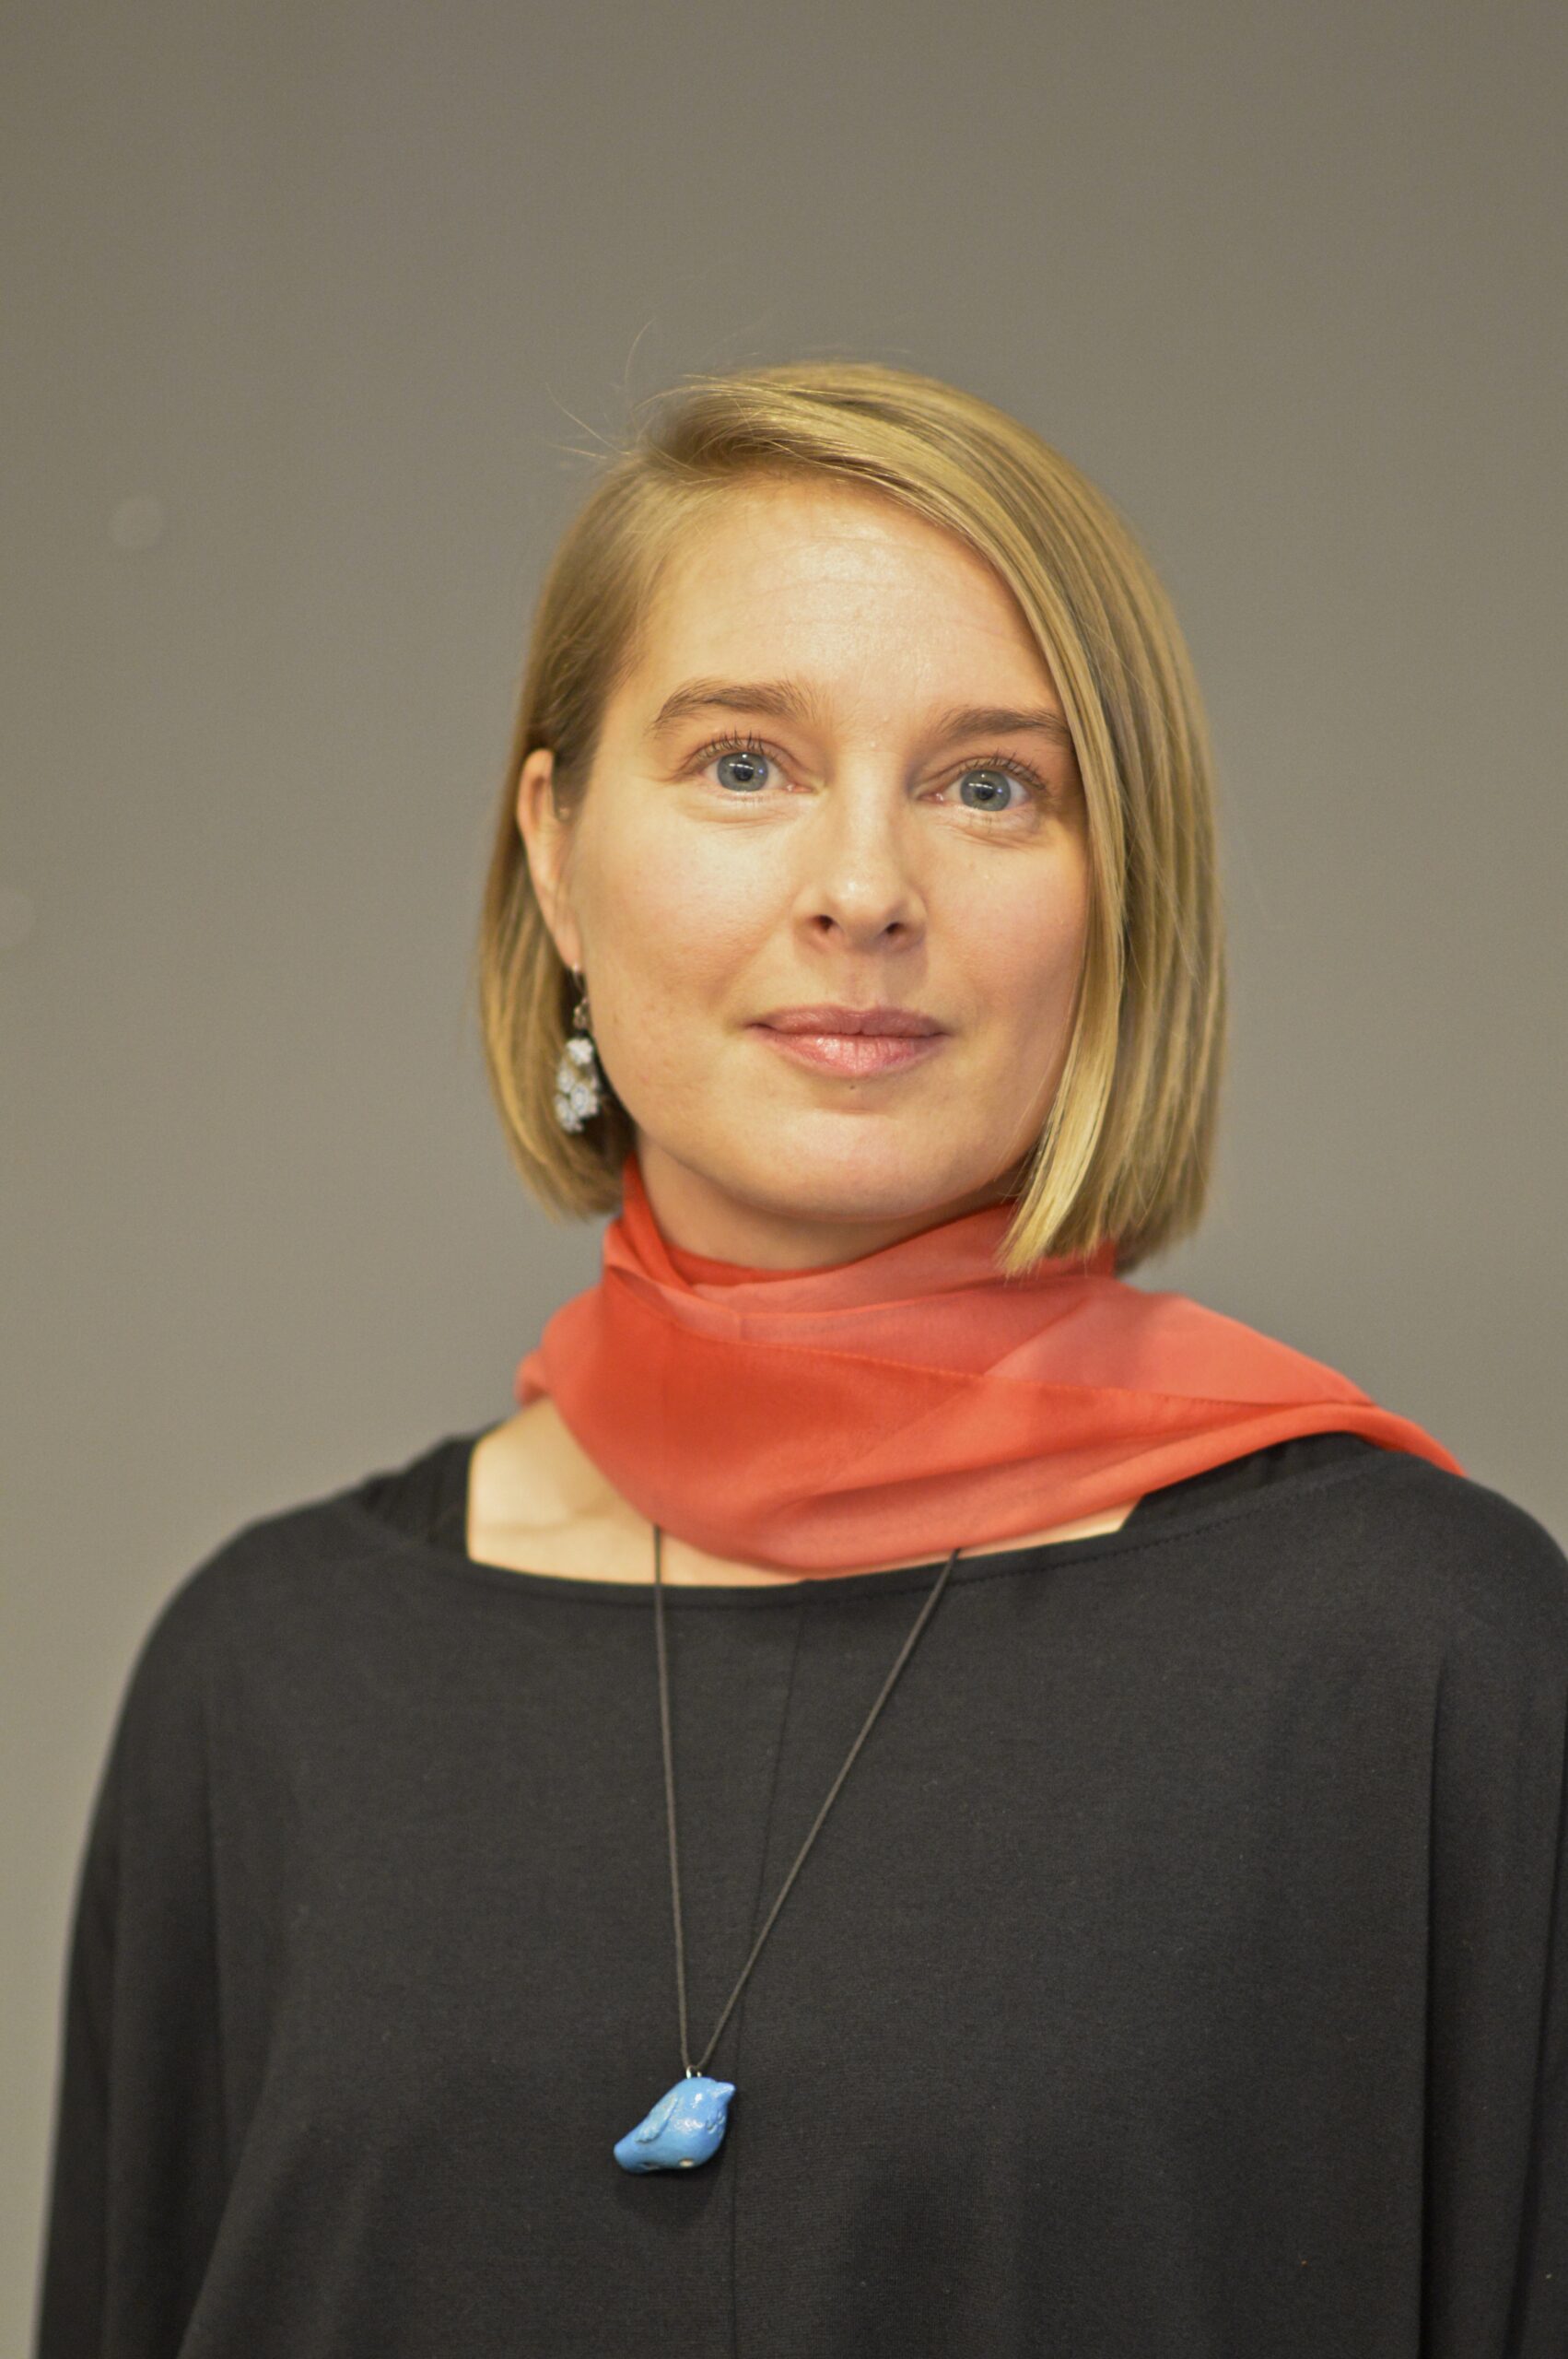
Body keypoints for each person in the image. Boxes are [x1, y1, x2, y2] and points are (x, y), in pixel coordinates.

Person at [34, 361, 1567, 2355]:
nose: (861, 890)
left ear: (1120, 893)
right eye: (744, 763)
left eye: (988, 785)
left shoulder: (1424, 1666)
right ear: (556, 852)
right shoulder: (263, 1682)